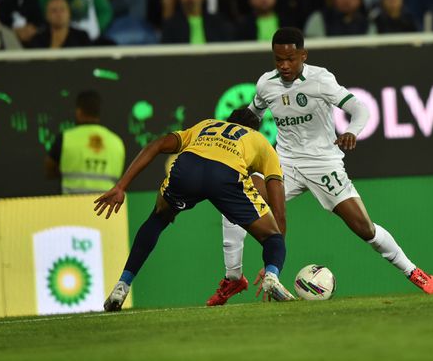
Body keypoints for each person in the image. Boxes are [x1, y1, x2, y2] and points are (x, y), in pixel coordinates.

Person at [206, 28, 433, 306]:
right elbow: (253, 115)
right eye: (278, 59)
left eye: (290, 59)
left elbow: (360, 109)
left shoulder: (321, 79)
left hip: (323, 163)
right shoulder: (266, 84)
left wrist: (352, 131)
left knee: (364, 228)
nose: (284, 66)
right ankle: (233, 279)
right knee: (233, 200)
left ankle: (412, 271)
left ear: (303, 56)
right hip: (285, 163)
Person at [96, 107, 295, 310]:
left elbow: (157, 145)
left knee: (157, 219)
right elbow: (279, 208)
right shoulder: (260, 141)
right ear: (255, 128)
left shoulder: (207, 125)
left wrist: (121, 186)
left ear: (227, 121)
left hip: (188, 169)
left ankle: (122, 286)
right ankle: (271, 278)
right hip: (225, 175)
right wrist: (276, 258)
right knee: (272, 237)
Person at [46, 90, 126, 197]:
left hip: (72, 207)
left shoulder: (65, 138)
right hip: (108, 207)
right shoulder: (116, 142)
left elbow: (49, 170)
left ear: (78, 112)